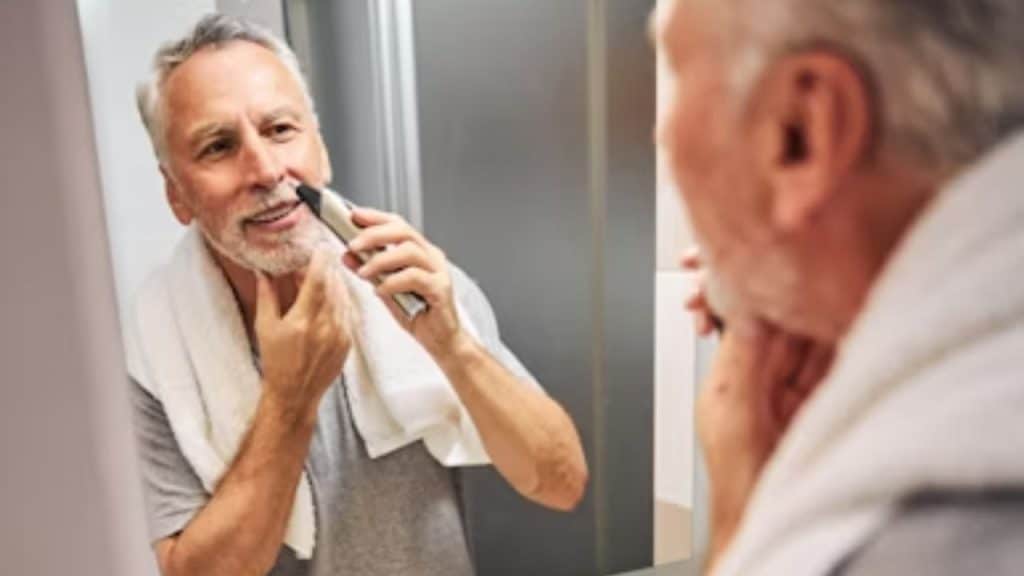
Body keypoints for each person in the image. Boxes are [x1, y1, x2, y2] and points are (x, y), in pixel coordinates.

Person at [126, 14, 587, 576]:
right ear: (177, 195)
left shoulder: (412, 283)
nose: (267, 170)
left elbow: (560, 483)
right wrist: (290, 401)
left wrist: (453, 347)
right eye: (219, 146)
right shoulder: (156, 350)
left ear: (320, 149)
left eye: (280, 129)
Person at [652, 0, 1024, 575]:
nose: (661, 132)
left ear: (801, 132)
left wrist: (736, 527)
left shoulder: (913, 548)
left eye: (677, 72)